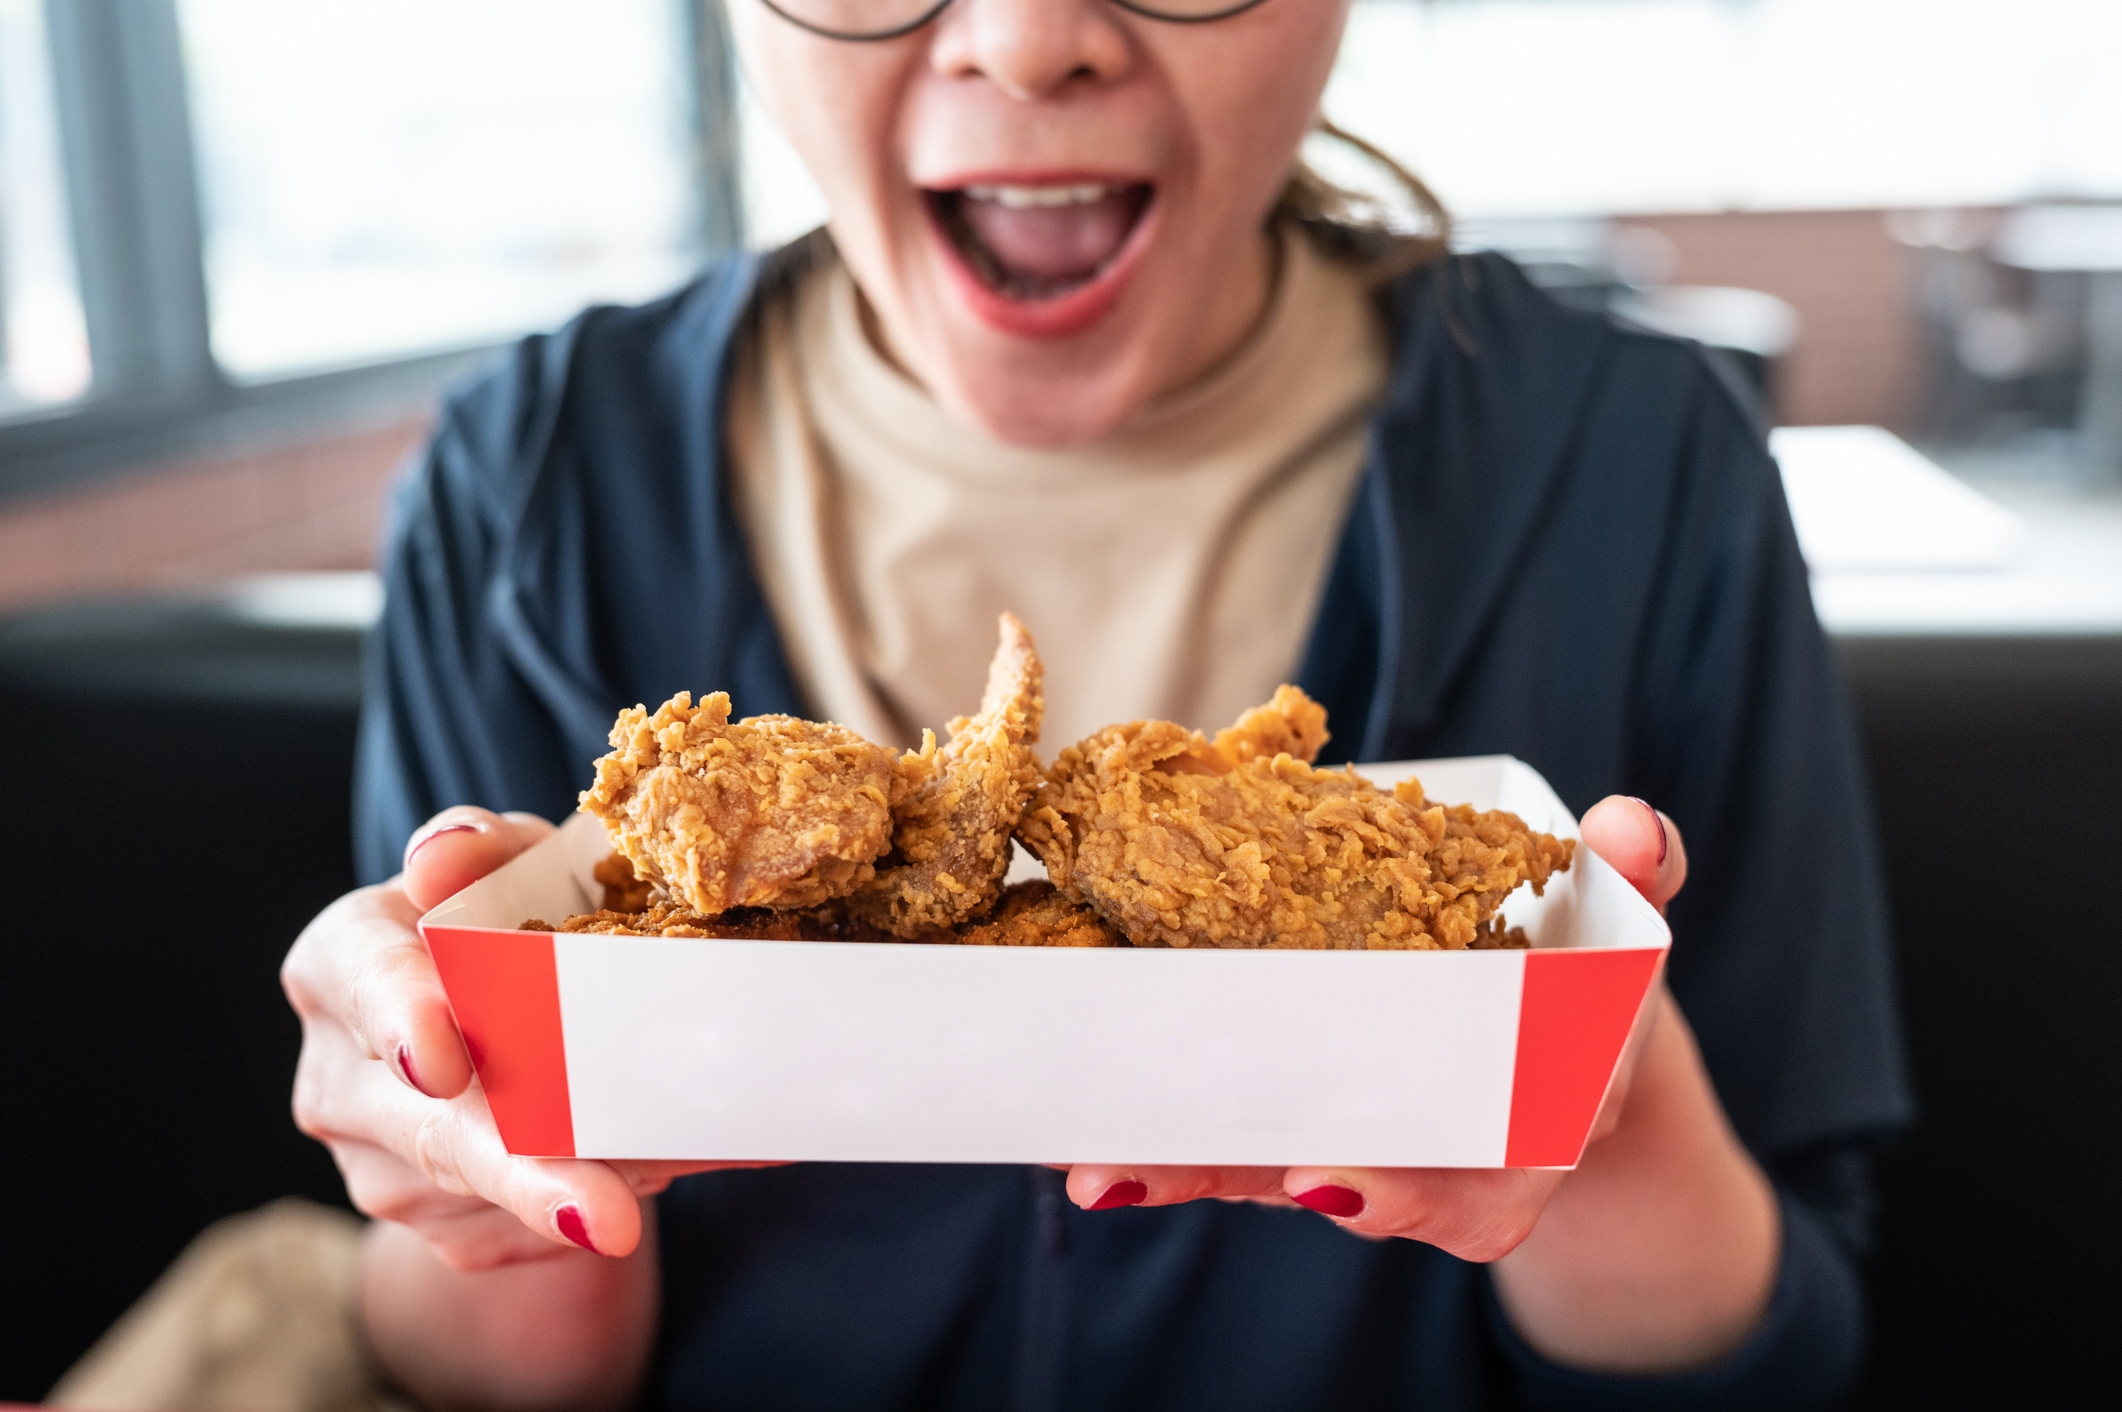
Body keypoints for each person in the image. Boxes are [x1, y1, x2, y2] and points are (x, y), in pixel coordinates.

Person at [280, 0, 1909, 1406]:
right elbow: (491, 1383)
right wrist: (481, 1169)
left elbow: (1788, 1351)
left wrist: (1593, 1101)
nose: (1027, 40)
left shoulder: (1638, 468)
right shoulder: (531, 487)